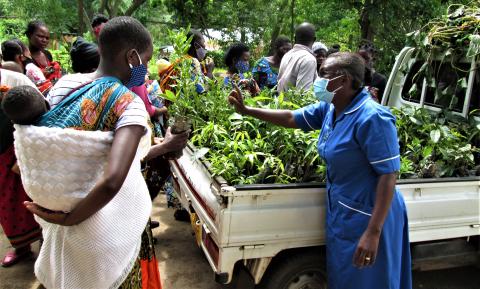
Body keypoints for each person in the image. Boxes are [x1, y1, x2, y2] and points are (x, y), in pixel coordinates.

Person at [20, 16, 189, 288]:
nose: (145, 69)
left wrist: (66, 216)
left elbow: (53, 143)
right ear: (132, 56)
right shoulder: (128, 103)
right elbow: (112, 180)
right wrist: (71, 220)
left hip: (63, 212)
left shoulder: (64, 86)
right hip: (105, 227)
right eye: (145, 61)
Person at [228, 52, 412, 289]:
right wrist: (248, 110)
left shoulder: (372, 118)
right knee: (346, 278)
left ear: (344, 80)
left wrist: (373, 232)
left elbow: (388, 175)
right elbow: (291, 118)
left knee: (370, 281)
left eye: (324, 74)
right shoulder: (331, 108)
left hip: (372, 216)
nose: (318, 80)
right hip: (345, 213)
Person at [0, 68, 42, 267]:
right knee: (7, 206)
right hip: (2, 157)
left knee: (39, 199)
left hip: (21, 150)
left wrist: (26, 153)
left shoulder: (15, 79)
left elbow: (41, 110)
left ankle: (47, 248)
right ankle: (21, 248)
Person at [277, 22, 317, 92]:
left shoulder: (287, 55)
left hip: (280, 101)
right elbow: (303, 93)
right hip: (294, 102)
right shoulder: (309, 59)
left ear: (295, 38)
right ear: (314, 40)